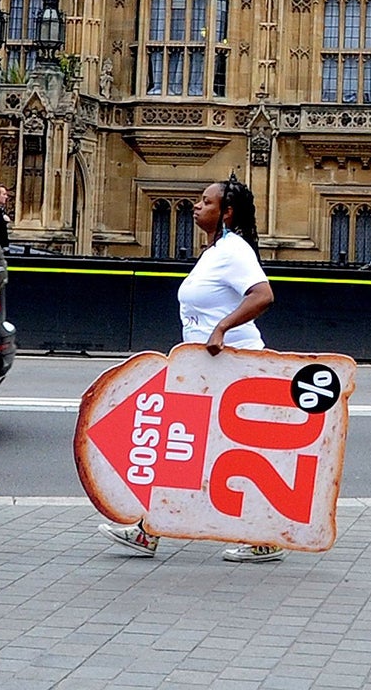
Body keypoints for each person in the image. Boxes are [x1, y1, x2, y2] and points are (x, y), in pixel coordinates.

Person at [100, 178, 279, 564]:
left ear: (226, 212)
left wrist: (221, 329)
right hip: (203, 367)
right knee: (180, 445)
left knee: (216, 448)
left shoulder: (234, 250)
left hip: (234, 367)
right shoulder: (214, 251)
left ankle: (266, 536)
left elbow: (263, 294)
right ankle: (149, 531)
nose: (196, 206)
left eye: (205, 201)